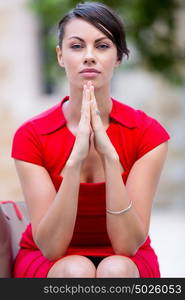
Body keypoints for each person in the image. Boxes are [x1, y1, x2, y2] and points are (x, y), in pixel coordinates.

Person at [11, 2, 170, 278]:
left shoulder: (148, 133)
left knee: (116, 269)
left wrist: (110, 157)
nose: (89, 56)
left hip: (126, 259)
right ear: (60, 56)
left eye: (102, 46)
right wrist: (75, 161)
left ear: (118, 57)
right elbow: (51, 247)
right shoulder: (31, 136)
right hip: (48, 259)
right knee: (76, 270)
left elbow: (126, 246)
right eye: (76, 46)